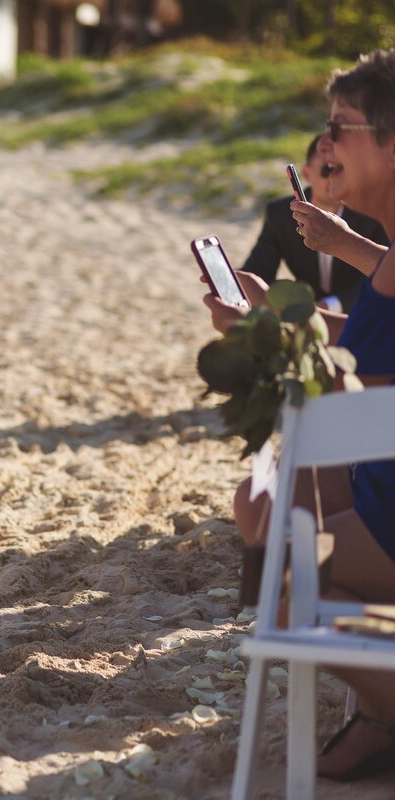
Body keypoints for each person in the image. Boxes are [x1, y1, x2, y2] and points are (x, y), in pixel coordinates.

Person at [206, 49, 395, 781]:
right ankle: (378, 711)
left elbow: (366, 395)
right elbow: (361, 338)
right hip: (376, 476)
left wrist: (267, 345)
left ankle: (388, 707)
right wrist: (270, 309)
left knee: (275, 558)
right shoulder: (387, 247)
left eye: (342, 125)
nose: (325, 141)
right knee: (263, 514)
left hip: (385, 490)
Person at [241, 133, 387, 312]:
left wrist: (328, 306)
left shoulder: (373, 212)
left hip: (364, 313)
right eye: (327, 170)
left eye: (343, 169)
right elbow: (258, 269)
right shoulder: (281, 213)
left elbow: (384, 274)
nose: (335, 177)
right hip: (306, 314)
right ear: (306, 173)